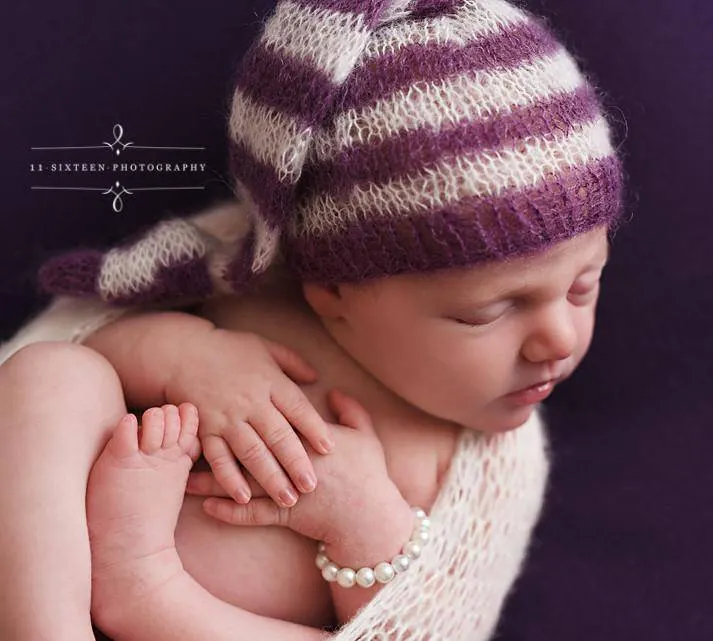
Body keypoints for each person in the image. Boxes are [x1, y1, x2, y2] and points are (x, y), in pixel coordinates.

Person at [0, 0, 625, 639]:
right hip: (49, 559)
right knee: (50, 375)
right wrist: (185, 358)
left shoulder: (495, 460)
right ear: (331, 290)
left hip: (198, 622)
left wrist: (365, 522)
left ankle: (147, 599)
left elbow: (432, 627)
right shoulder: (248, 282)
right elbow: (78, 332)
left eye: (584, 286)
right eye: (484, 313)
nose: (561, 338)